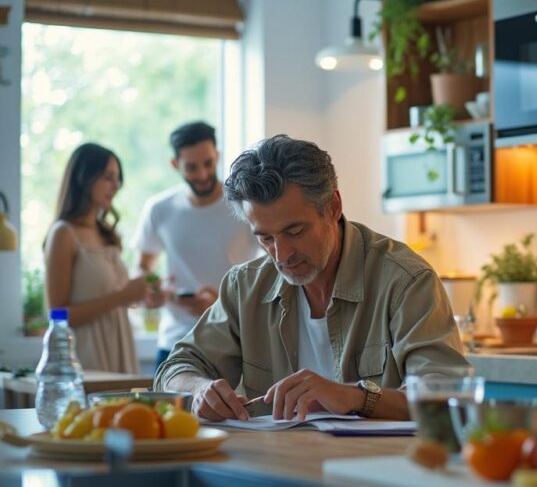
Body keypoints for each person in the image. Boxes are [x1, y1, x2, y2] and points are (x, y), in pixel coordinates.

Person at [154, 135, 469, 421]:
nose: (281, 254)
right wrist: (199, 389)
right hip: (278, 469)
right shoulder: (245, 287)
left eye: (295, 231)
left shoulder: (405, 281)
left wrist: (355, 397)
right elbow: (173, 369)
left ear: (333, 206)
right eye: (265, 238)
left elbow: (449, 398)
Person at [133, 121, 260, 373]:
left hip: (235, 341)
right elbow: (141, 266)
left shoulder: (246, 205)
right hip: (173, 343)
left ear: (217, 156)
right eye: (191, 167)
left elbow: (277, 265)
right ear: (175, 164)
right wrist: (153, 289)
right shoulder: (160, 208)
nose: (202, 174)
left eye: (208, 163)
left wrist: (222, 302)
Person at [44, 143, 144, 374]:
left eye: (118, 178)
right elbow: (57, 315)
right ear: (84, 178)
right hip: (85, 357)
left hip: (119, 349)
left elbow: (116, 297)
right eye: (108, 177)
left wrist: (142, 294)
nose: (116, 186)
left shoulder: (106, 234)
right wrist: (122, 297)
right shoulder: (63, 234)